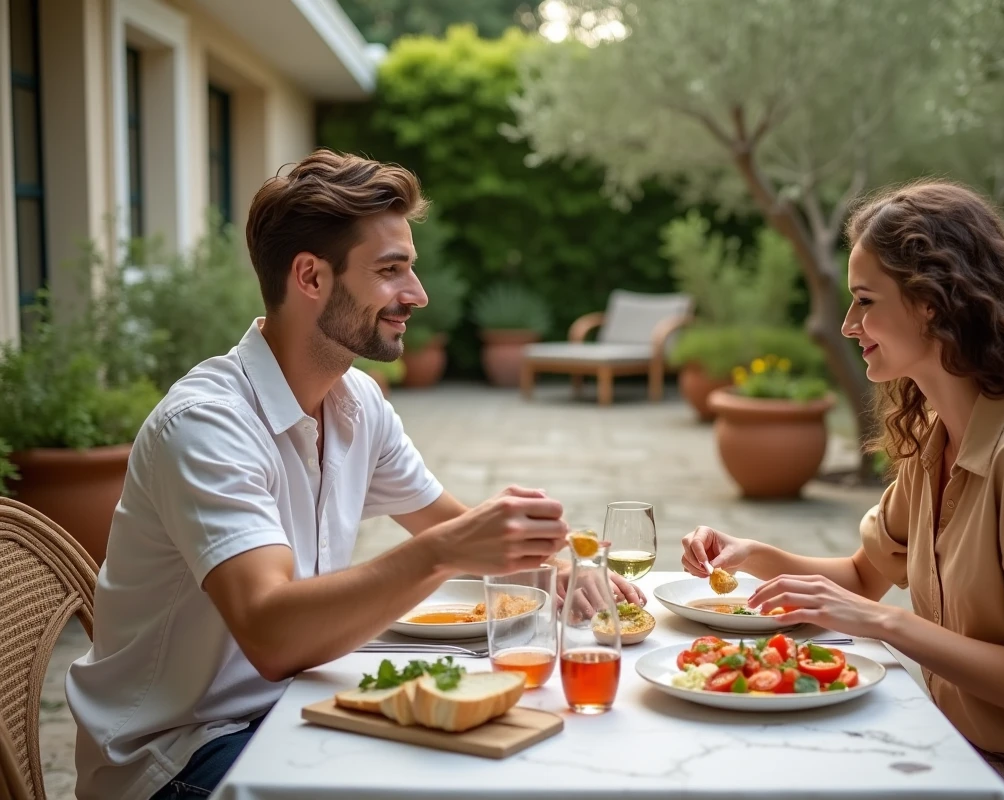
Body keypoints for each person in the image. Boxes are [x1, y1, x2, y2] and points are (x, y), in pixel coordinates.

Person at [66, 149, 643, 800]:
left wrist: (565, 574)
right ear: (310, 277)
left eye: (410, 269)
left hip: (288, 709)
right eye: (390, 271)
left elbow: (450, 525)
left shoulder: (356, 402)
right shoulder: (206, 425)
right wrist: (445, 553)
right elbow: (272, 633)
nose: (417, 295)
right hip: (178, 758)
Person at [682, 181, 1004, 800]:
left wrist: (885, 624)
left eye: (864, 301)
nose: (849, 325)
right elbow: (861, 577)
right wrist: (752, 555)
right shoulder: (942, 436)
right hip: (964, 745)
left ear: (931, 302)